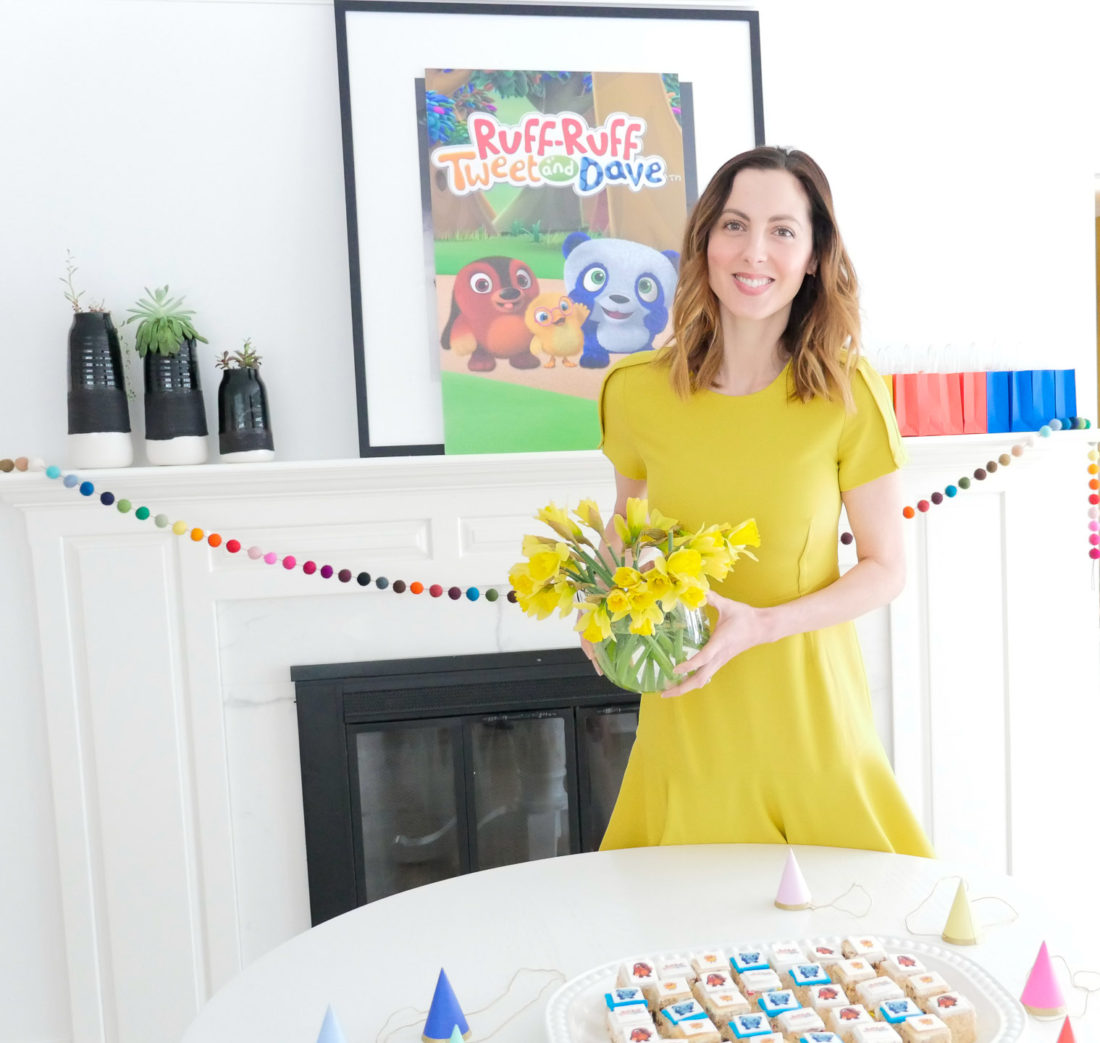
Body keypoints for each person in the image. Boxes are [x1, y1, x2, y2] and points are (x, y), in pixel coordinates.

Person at [589, 146, 934, 857]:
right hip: (685, 719)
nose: (755, 251)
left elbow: (885, 566)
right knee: (679, 948)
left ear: (812, 256)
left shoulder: (847, 393)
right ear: (706, 241)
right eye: (736, 225)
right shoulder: (635, 392)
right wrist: (601, 617)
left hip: (811, 721)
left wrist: (763, 624)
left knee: (846, 950)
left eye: (783, 230)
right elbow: (625, 533)